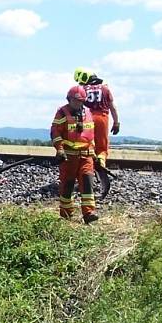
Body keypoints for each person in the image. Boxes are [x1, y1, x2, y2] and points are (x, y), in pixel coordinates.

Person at [50, 85, 98, 224]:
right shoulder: (62, 113)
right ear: (69, 99)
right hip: (69, 157)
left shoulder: (88, 113)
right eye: (75, 101)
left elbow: (91, 135)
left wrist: (94, 153)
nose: (78, 103)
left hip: (86, 156)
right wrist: (59, 149)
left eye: (80, 101)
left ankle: (89, 213)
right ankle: (66, 214)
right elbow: (55, 132)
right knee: (67, 185)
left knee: (87, 184)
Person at [74, 67, 120, 169]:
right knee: (102, 147)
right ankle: (101, 162)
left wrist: (78, 122)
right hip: (102, 118)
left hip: (87, 117)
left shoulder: (82, 89)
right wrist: (116, 123)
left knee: (87, 143)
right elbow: (113, 107)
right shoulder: (105, 88)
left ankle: (88, 164)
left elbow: (77, 107)